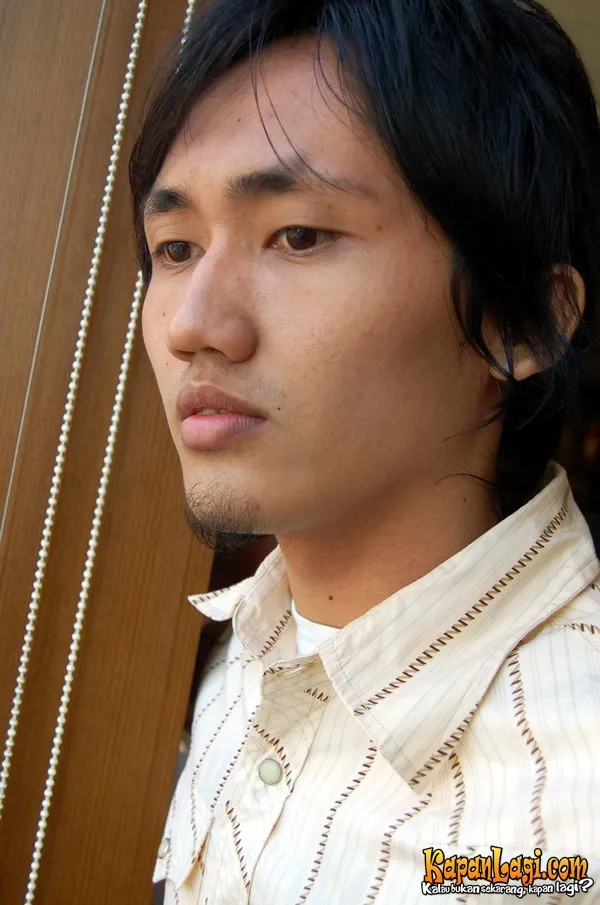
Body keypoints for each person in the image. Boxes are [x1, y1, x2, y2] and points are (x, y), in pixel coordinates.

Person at [129, 0, 600, 901]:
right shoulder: (247, 647)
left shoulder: (566, 822)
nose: (192, 324)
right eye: (176, 248)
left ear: (522, 322)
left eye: (298, 236)